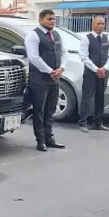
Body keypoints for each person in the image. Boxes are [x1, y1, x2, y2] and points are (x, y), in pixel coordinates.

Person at [24, 9, 68, 152]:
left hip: (54, 78)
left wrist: (61, 68)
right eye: (49, 19)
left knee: (50, 110)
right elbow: (34, 57)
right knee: (39, 111)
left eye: (53, 19)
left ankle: (50, 138)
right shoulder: (33, 35)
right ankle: (40, 141)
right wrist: (50, 71)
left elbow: (64, 52)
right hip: (39, 79)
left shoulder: (56, 34)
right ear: (41, 20)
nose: (52, 21)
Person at [78, 16, 109, 133]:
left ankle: (98, 122)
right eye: (98, 24)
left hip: (104, 72)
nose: (100, 26)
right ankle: (82, 122)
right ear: (93, 24)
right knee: (86, 97)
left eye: (102, 24)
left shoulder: (108, 38)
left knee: (100, 97)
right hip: (90, 72)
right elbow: (83, 56)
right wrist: (96, 69)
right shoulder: (86, 39)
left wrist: (104, 68)